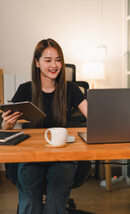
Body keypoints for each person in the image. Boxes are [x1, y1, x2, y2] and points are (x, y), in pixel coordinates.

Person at [2, 38, 87, 214]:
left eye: (58, 60)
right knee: (30, 198)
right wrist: (6, 124)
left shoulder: (70, 89)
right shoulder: (25, 89)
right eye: (48, 60)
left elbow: (95, 118)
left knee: (56, 197)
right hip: (32, 154)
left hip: (63, 155)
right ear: (37, 63)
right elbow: (6, 129)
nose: (54, 65)